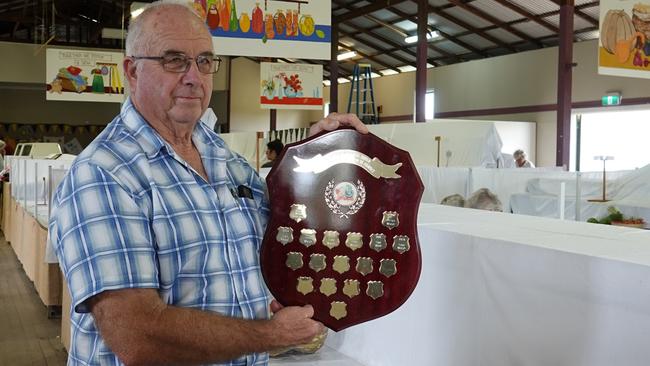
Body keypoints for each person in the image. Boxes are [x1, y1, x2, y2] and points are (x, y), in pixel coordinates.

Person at [48, 2, 368, 366]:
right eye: (174, 60)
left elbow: (284, 239)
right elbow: (137, 336)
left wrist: (319, 158)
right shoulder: (104, 174)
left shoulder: (226, 160)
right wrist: (269, 334)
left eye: (204, 61)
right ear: (132, 71)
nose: (193, 76)